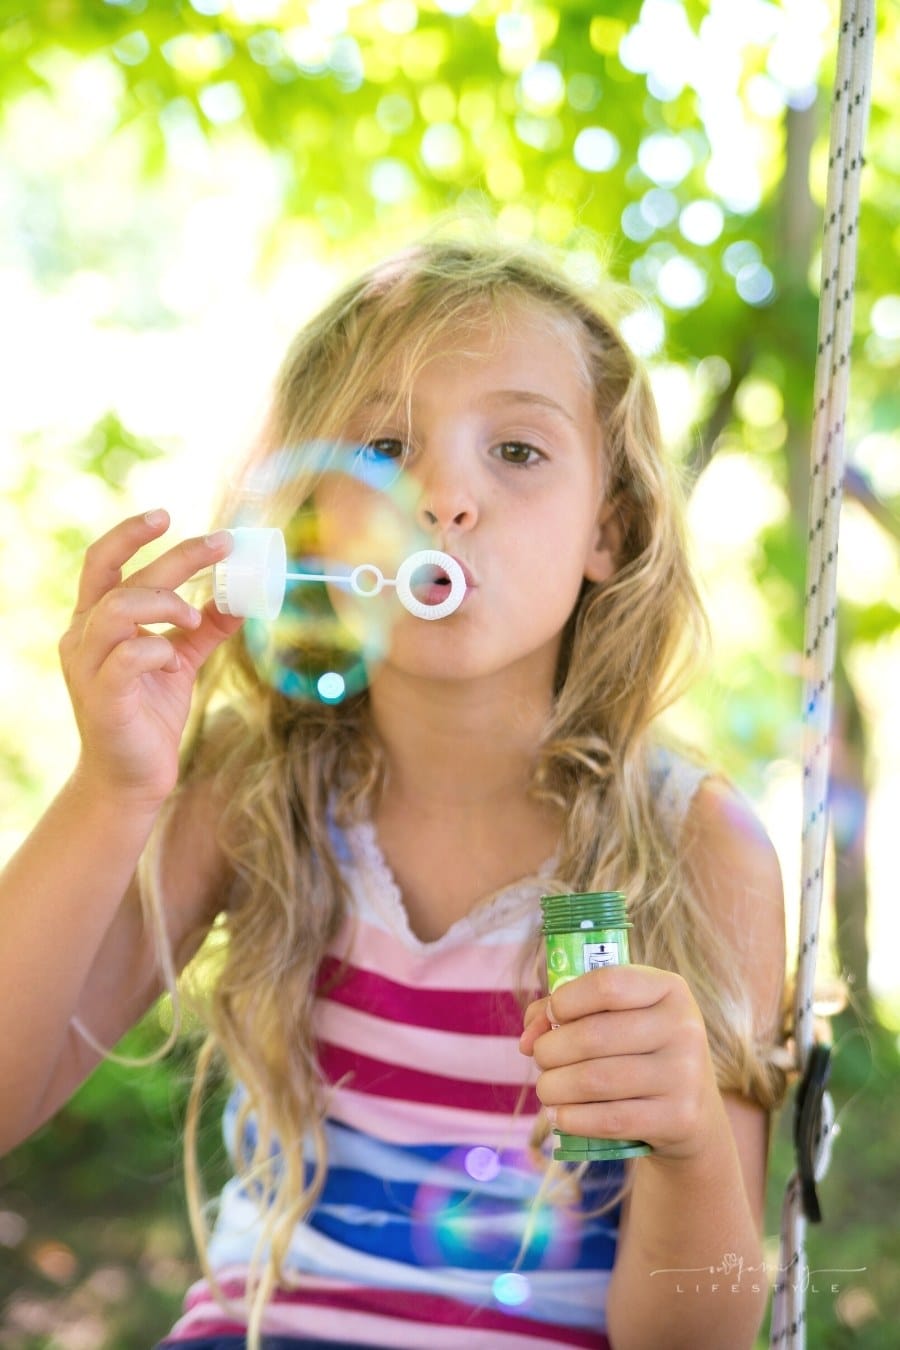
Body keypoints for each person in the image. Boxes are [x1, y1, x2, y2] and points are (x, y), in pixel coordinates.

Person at [0, 237, 788, 1350]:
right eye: (383, 447)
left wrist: (692, 1138)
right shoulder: (248, 790)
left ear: (607, 528)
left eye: (517, 449)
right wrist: (114, 790)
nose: (447, 497)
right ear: (317, 524)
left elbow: (693, 1338)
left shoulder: (692, 847)